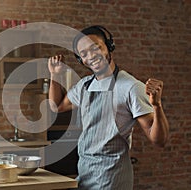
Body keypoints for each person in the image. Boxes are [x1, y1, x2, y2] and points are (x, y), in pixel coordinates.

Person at [47, 25, 169, 189]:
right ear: (80, 60)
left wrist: (157, 105)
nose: (91, 56)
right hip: (85, 173)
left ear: (109, 46)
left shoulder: (130, 87)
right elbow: (57, 106)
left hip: (112, 178)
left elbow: (159, 140)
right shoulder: (85, 85)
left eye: (95, 47)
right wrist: (55, 75)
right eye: (83, 54)